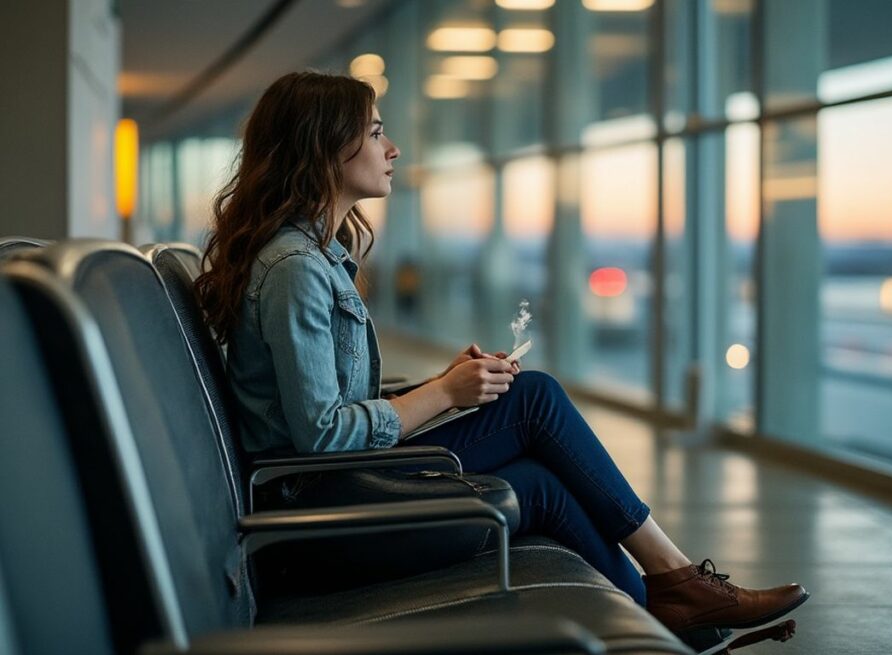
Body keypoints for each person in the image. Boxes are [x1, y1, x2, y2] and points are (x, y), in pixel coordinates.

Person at [195, 71, 807, 636]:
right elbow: (321, 436)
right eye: (376, 133)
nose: (393, 149)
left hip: (339, 486)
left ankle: (667, 611)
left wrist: (445, 382)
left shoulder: (308, 257)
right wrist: (442, 394)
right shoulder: (297, 269)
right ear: (323, 148)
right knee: (536, 403)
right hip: (323, 511)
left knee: (538, 452)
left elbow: (320, 406)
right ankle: (676, 594)